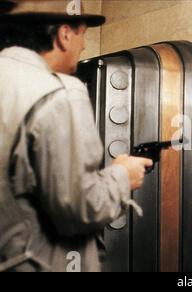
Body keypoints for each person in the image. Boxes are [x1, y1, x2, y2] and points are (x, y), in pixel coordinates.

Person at [0, 2, 152, 272]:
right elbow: (79, 209)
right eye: (83, 35)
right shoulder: (59, 92)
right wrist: (122, 176)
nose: (83, 46)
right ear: (65, 33)